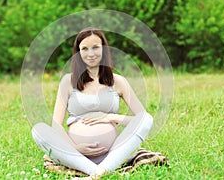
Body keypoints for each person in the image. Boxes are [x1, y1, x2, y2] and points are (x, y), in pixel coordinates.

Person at [32, 27, 154, 179]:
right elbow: (56, 125)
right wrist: (75, 148)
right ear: (78, 53)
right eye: (84, 49)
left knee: (147, 117)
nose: (91, 54)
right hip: (76, 156)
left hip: (112, 153)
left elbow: (140, 119)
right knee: (38, 130)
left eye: (96, 47)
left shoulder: (118, 82)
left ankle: (99, 171)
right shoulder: (68, 82)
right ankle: (96, 172)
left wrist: (111, 118)